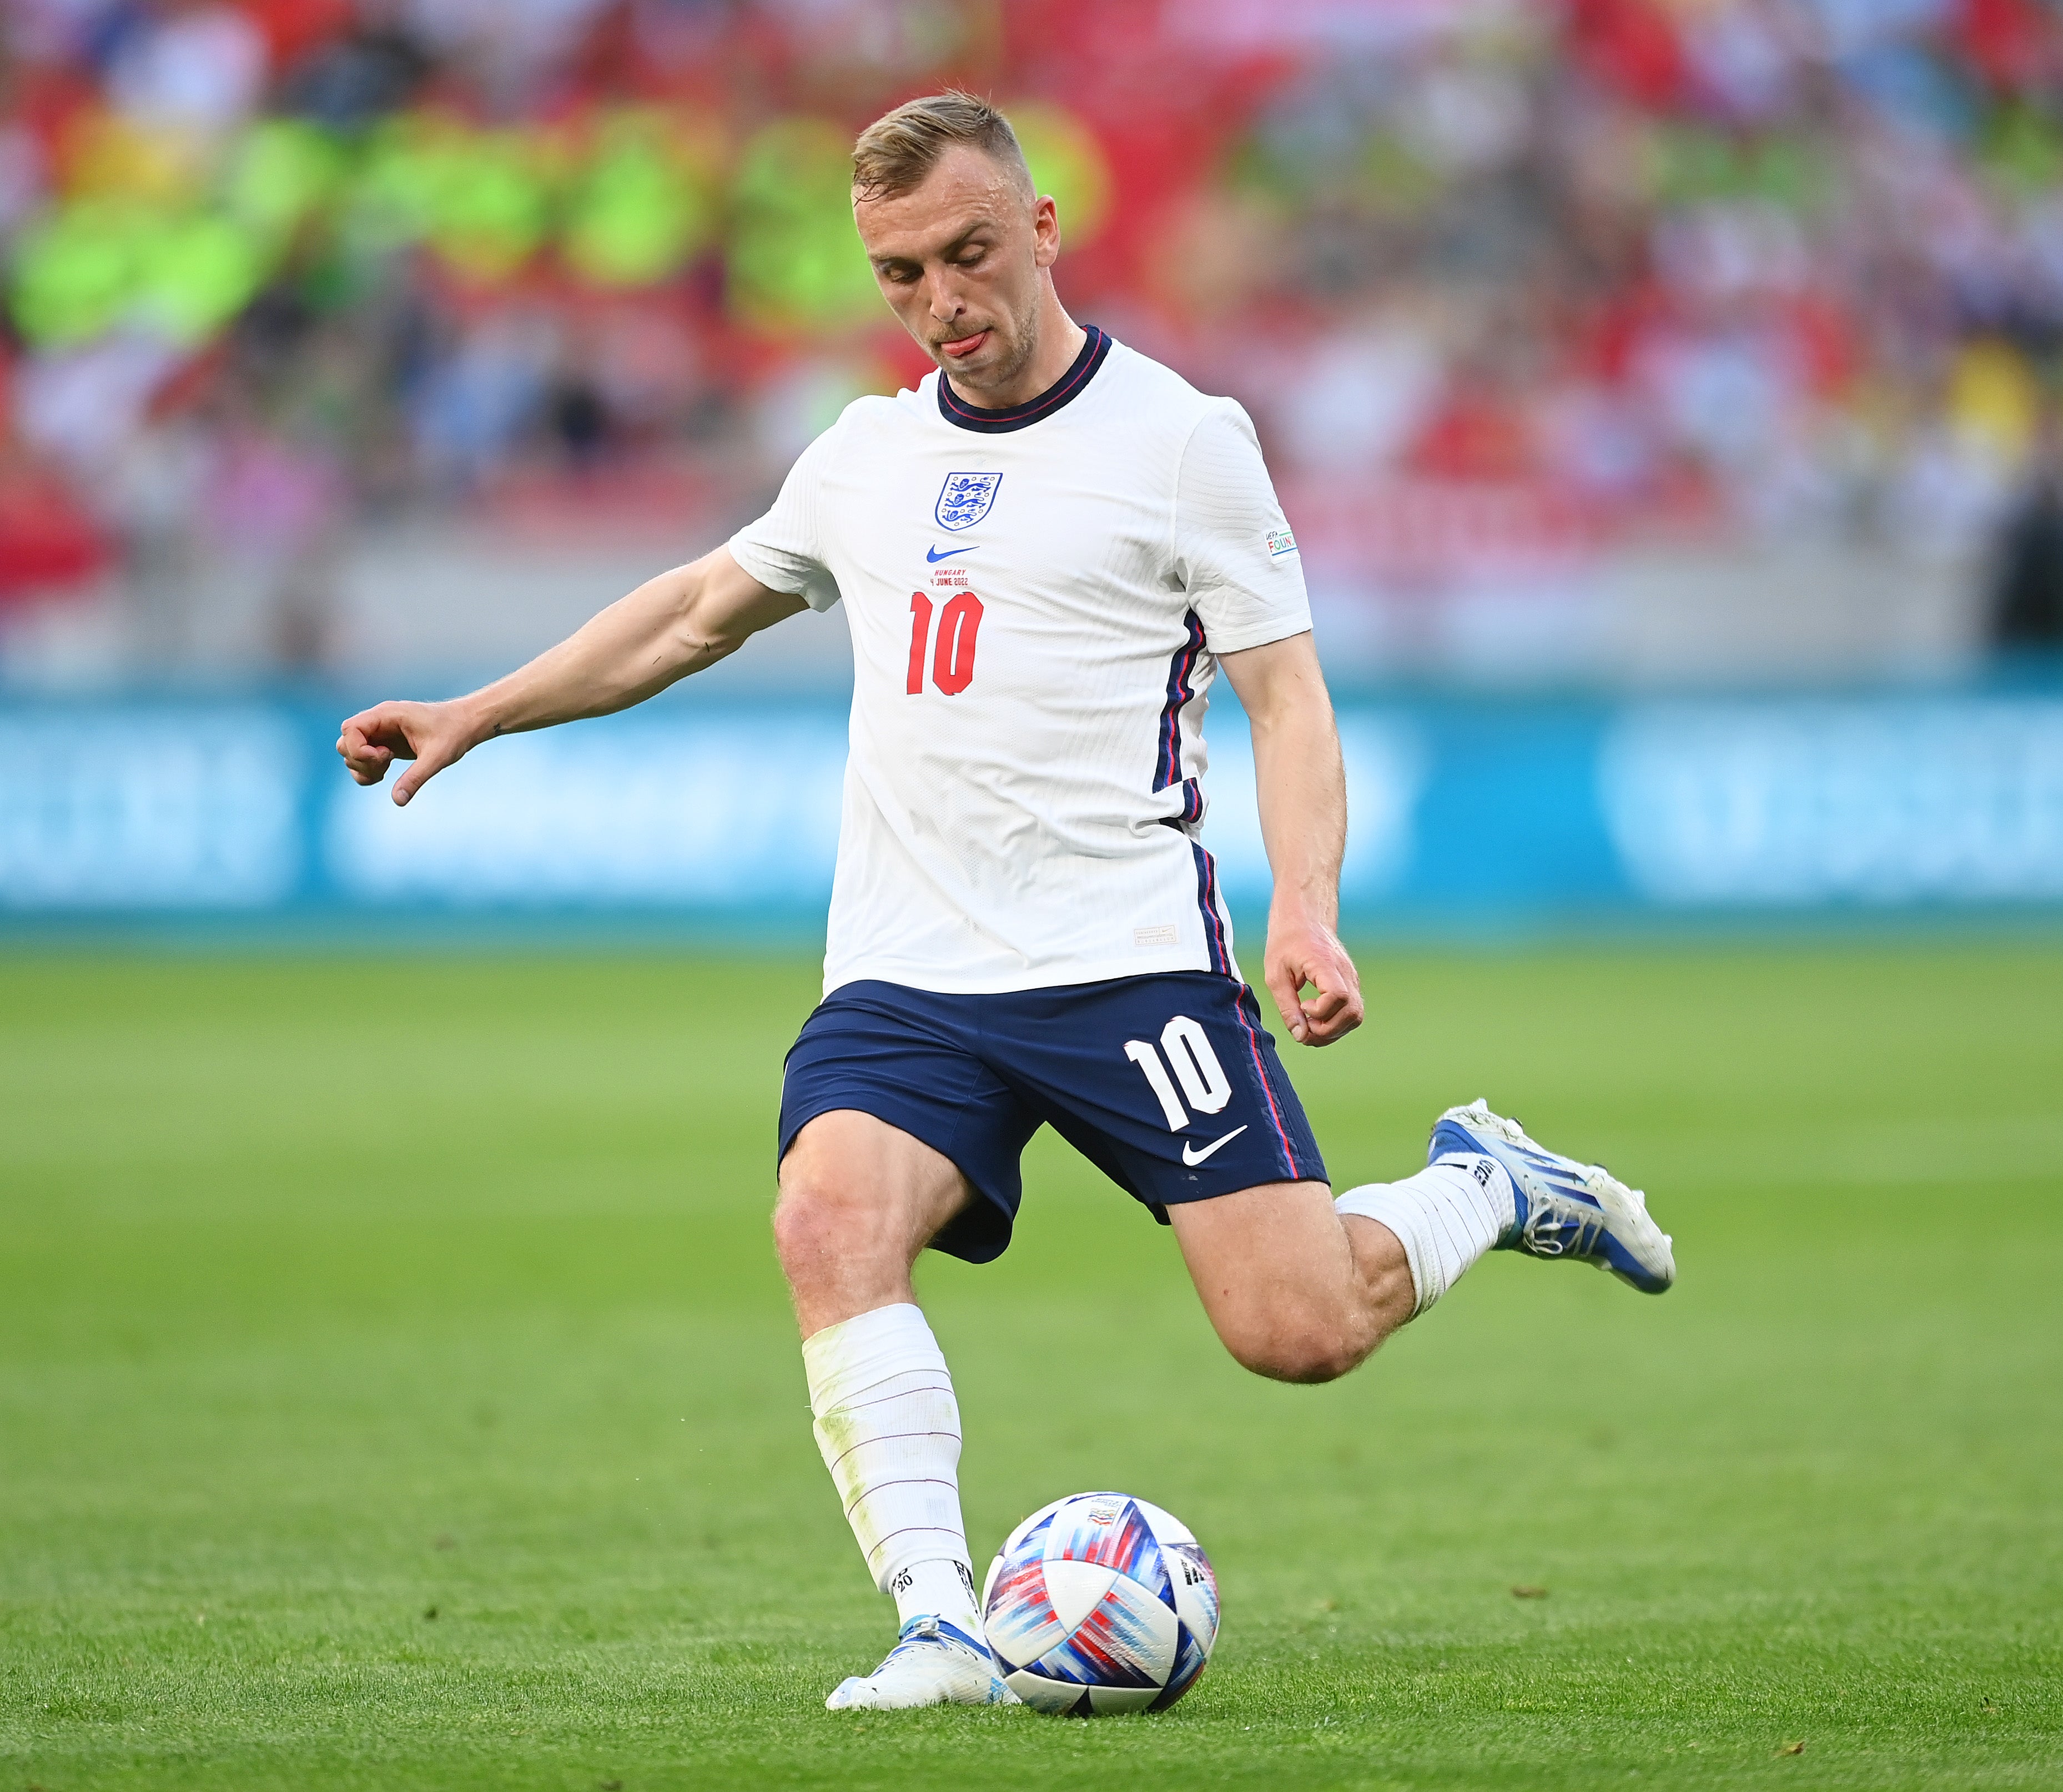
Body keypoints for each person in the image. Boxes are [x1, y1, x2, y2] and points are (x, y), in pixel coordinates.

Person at [336, 90, 1675, 1712]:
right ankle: (938, 1617)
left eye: (966, 254)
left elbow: (1288, 697)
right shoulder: (864, 455)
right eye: (899, 274)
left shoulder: (1182, 440)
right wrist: (478, 710)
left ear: (1042, 230)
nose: (939, 302)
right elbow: (697, 608)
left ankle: (1484, 1183)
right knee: (827, 1219)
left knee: (1295, 1324)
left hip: (1125, 966)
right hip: (905, 974)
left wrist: (1305, 905)